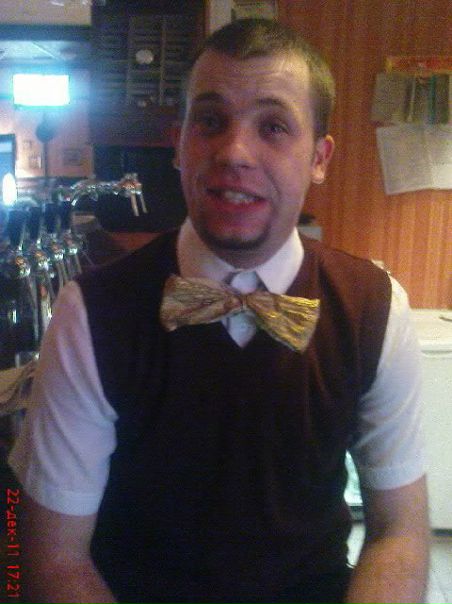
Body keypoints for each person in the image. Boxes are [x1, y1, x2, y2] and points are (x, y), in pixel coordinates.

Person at [9, 18, 429, 604]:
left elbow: (400, 534)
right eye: (210, 121)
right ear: (180, 144)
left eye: (273, 127)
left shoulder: (374, 308)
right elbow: (53, 559)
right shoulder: (92, 313)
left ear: (319, 157)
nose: (234, 152)